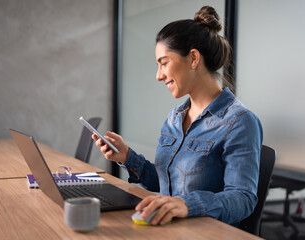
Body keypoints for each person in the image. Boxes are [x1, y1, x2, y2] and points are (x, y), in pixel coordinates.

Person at [93, 6, 263, 226]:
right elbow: (167, 185)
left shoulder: (240, 121)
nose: (158, 75)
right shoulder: (175, 118)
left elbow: (243, 199)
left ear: (193, 58)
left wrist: (187, 205)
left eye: (164, 63)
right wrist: (127, 157)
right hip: (169, 228)